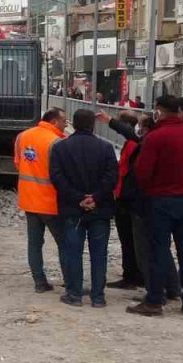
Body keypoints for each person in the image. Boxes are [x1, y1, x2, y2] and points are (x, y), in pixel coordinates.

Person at [128, 95, 183, 318]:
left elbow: (142, 172)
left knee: (158, 251)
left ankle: (154, 301)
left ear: (158, 111)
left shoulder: (155, 138)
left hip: (159, 201)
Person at [49, 109, 119, 307]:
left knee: (73, 251)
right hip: (100, 208)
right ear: (92, 125)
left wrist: (78, 198)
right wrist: (96, 197)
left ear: (73, 124)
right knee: (99, 254)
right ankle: (98, 297)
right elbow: (112, 177)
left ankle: (74, 294)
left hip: (72, 209)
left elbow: (57, 177)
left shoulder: (61, 148)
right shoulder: (105, 148)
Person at [13, 108, 68, 293]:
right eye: (64, 121)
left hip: (29, 200)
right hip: (50, 203)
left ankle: (39, 282)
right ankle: (70, 280)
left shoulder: (22, 137)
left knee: (34, 243)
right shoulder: (56, 142)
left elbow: (18, 164)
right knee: (65, 243)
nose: (65, 125)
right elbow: (61, 174)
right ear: (54, 122)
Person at [97, 111, 144, 290]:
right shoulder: (133, 144)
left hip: (127, 198)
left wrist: (110, 121)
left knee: (129, 239)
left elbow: (124, 172)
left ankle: (132, 275)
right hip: (127, 196)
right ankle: (134, 273)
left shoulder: (134, 143)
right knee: (131, 239)